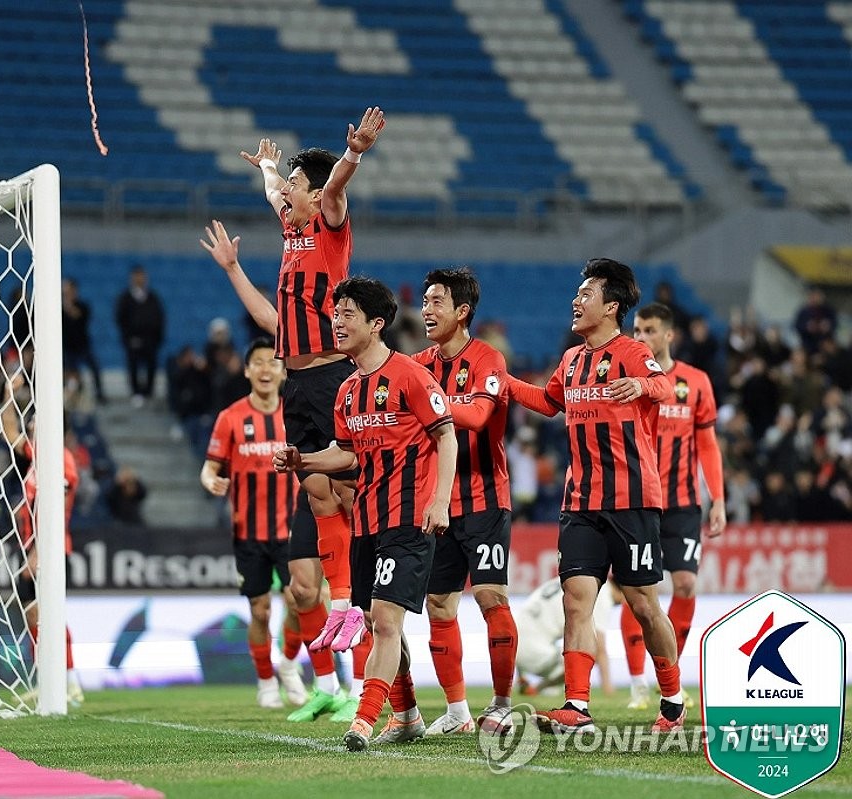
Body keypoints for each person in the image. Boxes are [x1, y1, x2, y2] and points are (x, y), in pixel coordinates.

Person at [200, 109, 386, 713]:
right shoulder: (290, 227)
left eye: (294, 189)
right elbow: (275, 191)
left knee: (346, 484)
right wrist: (272, 169)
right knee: (313, 485)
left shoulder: (330, 223)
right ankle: (340, 611)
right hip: (298, 386)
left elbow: (332, 187)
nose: (286, 198)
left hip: (333, 373)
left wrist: (352, 152)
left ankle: (354, 599)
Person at [273, 277, 457, 752]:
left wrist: (440, 501)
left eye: (347, 313)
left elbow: (446, 435)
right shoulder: (348, 389)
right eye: (335, 313)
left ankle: (363, 719)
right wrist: (305, 461)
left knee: (385, 620)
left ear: (376, 324)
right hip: (367, 522)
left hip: (409, 516)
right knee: (378, 621)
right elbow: (346, 455)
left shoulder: (412, 376)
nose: (336, 321)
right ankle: (409, 714)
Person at [506, 257, 685, 734]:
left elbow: (667, 387)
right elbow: (549, 403)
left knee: (644, 605)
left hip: (633, 499)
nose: (576, 300)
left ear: (611, 306)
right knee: (576, 600)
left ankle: (672, 698)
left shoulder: (631, 352)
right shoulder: (572, 360)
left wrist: (642, 383)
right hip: (581, 502)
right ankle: (577, 707)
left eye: (585, 294)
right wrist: (502, 384)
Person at [409, 268, 519, 737]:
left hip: (485, 499)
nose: (426, 310)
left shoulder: (488, 359)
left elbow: (476, 416)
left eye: (437, 302)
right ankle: (457, 712)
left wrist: (425, 399)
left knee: (491, 595)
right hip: (439, 502)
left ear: (462, 311)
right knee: (438, 604)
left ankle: (501, 703)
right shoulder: (416, 364)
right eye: (425, 301)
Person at [623, 302, 726, 710]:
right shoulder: (625, 379)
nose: (641, 337)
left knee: (684, 584)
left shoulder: (696, 382)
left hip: (682, 503)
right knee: (636, 592)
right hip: (637, 501)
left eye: (649, 330)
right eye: (637, 330)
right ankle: (636, 683)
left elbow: (707, 444)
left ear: (669, 335)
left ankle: (671, 672)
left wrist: (717, 499)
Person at [201, 338, 308, 710]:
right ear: (247, 370)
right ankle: (265, 681)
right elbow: (210, 466)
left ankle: (290, 667)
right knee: (260, 610)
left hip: (292, 529)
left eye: (272, 363)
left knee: (297, 601)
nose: (266, 369)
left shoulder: (294, 416)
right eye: (258, 363)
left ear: (282, 371)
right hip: (248, 531)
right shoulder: (231, 417)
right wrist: (210, 480)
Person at [2, 372, 83, 705]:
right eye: (31, 422)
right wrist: (8, 393)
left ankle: (69, 682)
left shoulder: (61, 460)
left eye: (36, 423)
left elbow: (58, 510)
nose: (31, 427)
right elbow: (9, 432)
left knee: (48, 613)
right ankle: (50, 679)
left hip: (50, 549)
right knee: (35, 614)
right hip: (31, 548)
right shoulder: (36, 456)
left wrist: (38, 551)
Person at [515, 577, 614, 697]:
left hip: (513, 647)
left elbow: (525, 622)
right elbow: (600, 650)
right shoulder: (601, 594)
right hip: (536, 654)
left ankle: (524, 682)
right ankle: (539, 688)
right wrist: (608, 690)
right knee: (583, 656)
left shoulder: (573, 579)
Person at [115, 264, 165, 406]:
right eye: (136, 276)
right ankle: (136, 392)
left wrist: (156, 338)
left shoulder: (153, 297)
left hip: (150, 340)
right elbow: (120, 319)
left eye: (142, 276)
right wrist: (128, 337)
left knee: (151, 366)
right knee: (133, 365)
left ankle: (148, 392)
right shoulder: (125, 298)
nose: (139, 279)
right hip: (132, 340)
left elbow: (160, 318)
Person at [63, 277, 107, 404]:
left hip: (83, 346)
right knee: (71, 371)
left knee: (95, 367)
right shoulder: (57, 308)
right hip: (68, 347)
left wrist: (68, 305)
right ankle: (72, 396)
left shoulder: (83, 306)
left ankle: (100, 394)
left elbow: (78, 316)